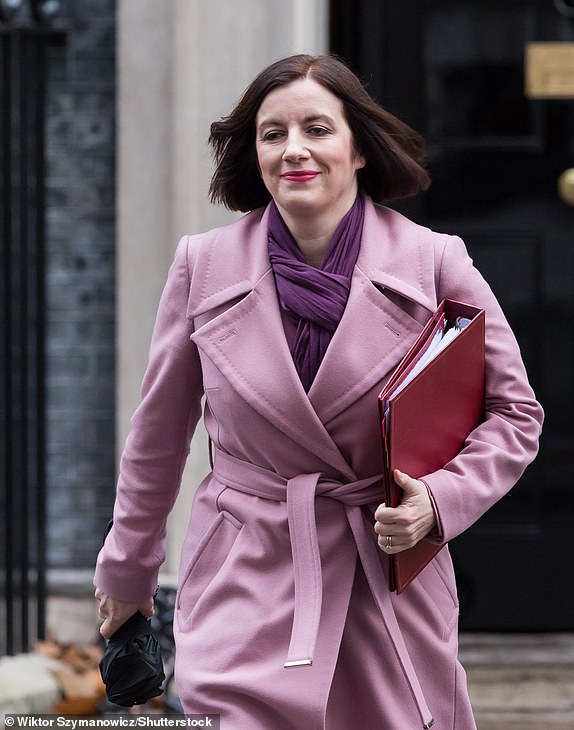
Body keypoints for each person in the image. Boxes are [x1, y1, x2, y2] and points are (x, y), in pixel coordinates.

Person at [94, 54, 543, 729]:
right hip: (246, 575)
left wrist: (438, 504)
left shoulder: (434, 262)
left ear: (359, 147)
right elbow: (157, 438)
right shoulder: (203, 266)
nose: (293, 150)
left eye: (316, 128)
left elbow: (515, 413)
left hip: (383, 581)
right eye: (272, 134)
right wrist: (127, 573)